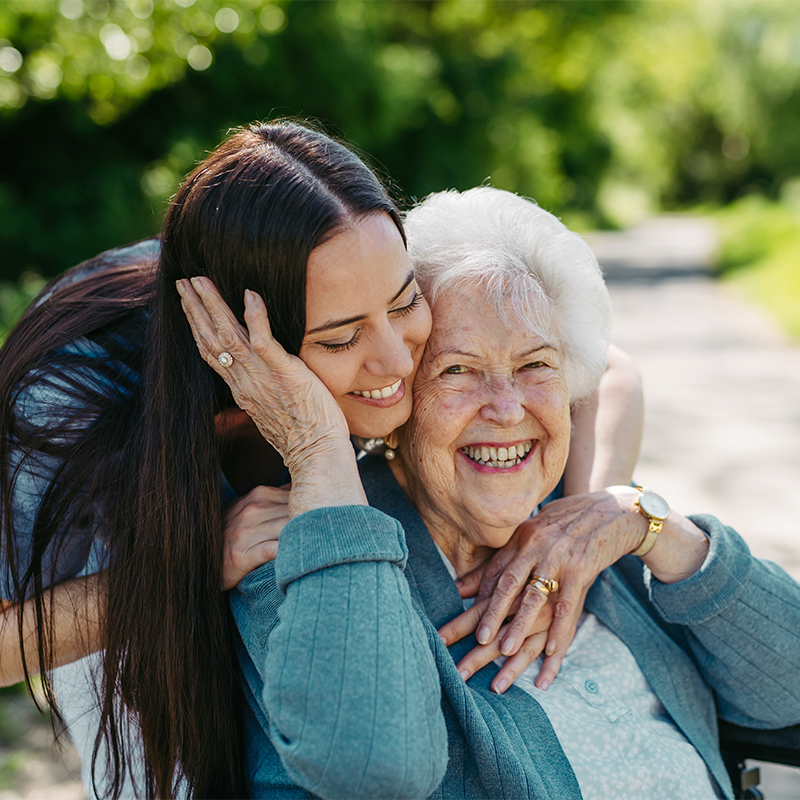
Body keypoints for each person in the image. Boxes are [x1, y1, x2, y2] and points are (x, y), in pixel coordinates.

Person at [0, 124, 641, 799]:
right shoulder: (70, 398)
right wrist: (195, 563)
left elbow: (607, 368)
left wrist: (582, 521)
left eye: (405, 304)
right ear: (246, 340)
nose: (395, 361)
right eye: (340, 339)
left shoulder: (352, 252)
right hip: (129, 595)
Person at [192, 187, 800, 798]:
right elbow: (373, 764)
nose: (508, 410)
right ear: (395, 400)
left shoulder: (595, 522)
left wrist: (652, 528)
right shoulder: (314, 561)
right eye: (457, 370)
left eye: (536, 365)